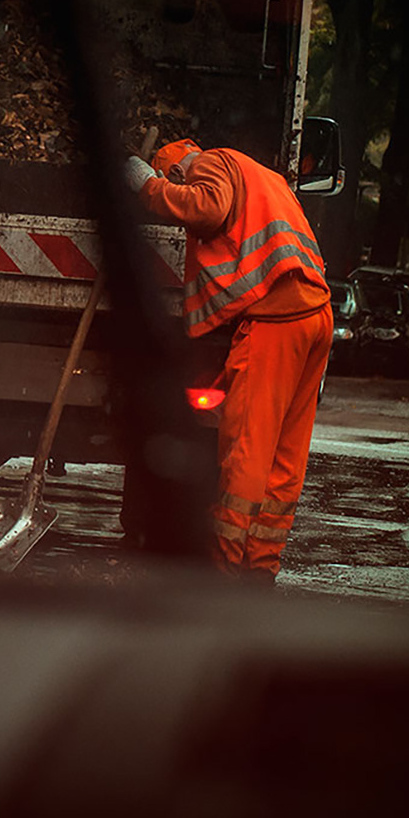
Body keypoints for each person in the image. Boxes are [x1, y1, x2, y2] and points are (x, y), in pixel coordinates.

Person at [125, 135, 332, 581]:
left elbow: (208, 208)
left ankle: (223, 567)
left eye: (174, 180)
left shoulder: (210, 164)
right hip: (315, 316)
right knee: (285, 455)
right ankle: (260, 568)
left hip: (275, 321)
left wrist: (147, 186)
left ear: (177, 171)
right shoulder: (264, 177)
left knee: (246, 452)